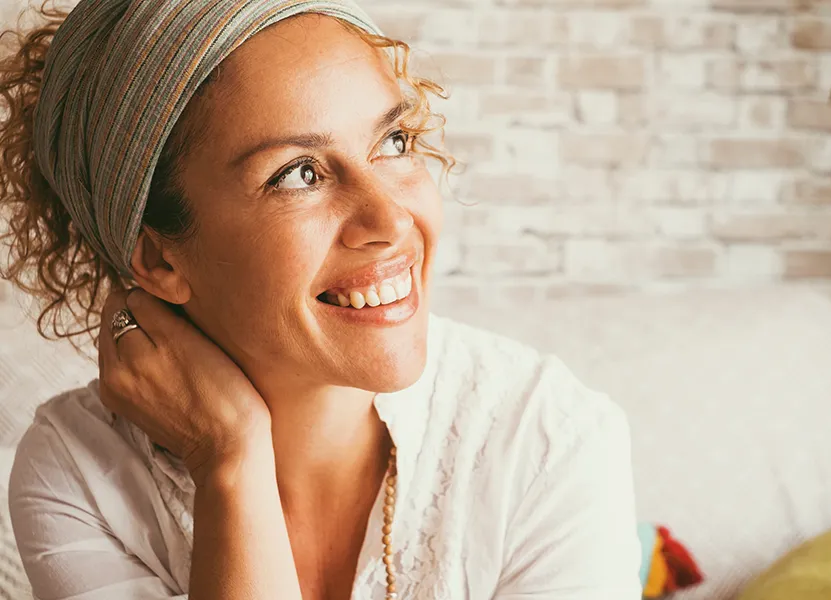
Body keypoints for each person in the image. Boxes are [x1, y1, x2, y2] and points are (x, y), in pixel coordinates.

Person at [0, 1, 642, 598]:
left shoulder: (548, 438)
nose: (390, 219)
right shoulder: (76, 475)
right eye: (299, 174)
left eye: (392, 143)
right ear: (161, 258)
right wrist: (229, 458)